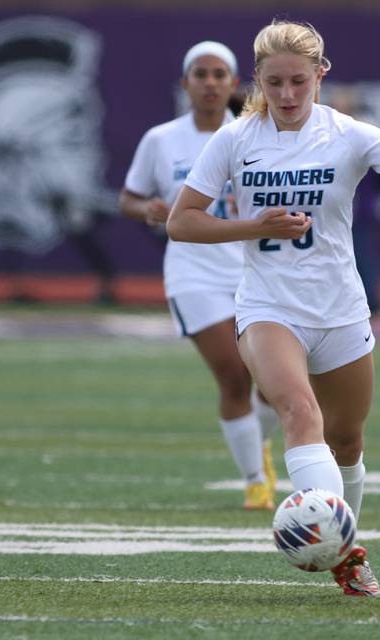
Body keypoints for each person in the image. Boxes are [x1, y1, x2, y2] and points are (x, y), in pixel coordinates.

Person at [167, 21, 380, 597]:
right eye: (274, 83)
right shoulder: (235, 139)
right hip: (268, 307)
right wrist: (253, 226)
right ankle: (347, 558)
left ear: (321, 74)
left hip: (340, 310)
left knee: (347, 443)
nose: (287, 94)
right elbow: (181, 221)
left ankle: (340, 539)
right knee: (297, 411)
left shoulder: (349, 133)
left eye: (298, 81)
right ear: (257, 79)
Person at [119, 41, 279, 511]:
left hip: (253, 270)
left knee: (274, 382)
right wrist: (146, 209)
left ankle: (257, 446)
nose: (210, 83)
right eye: (201, 74)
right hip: (193, 273)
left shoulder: (256, 134)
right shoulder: (161, 139)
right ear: (185, 83)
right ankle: (255, 481)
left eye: (219, 74)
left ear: (234, 83)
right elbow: (128, 197)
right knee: (234, 375)